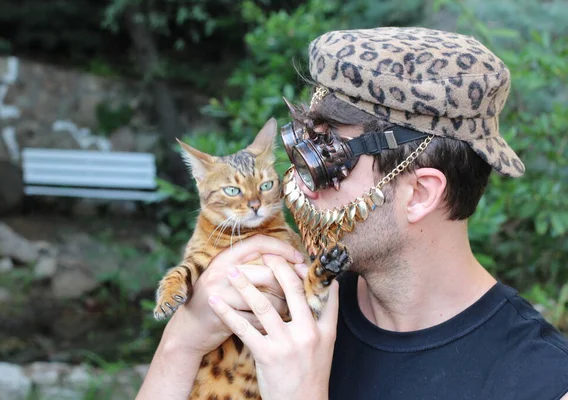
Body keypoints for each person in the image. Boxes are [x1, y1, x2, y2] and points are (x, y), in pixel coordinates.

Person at [137, 27, 568, 400]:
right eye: (301, 150)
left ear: (418, 192)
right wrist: (184, 340)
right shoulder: (288, 298)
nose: (300, 186)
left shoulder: (540, 382)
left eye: (329, 160)